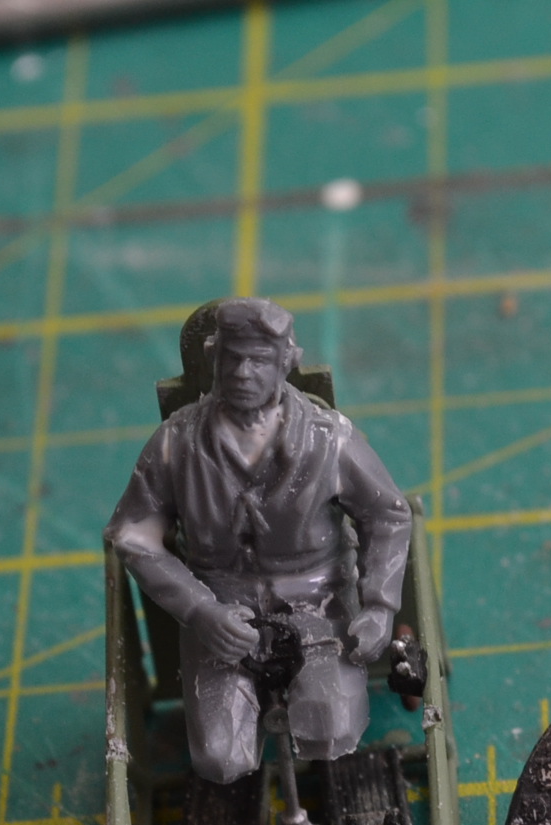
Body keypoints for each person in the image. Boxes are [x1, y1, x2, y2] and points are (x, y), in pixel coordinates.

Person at [105, 298, 413, 784]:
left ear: (287, 362)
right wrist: (200, 611)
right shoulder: (175, 443)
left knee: (331, 729)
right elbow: (131, 535)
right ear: (214, 358)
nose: (242, 373)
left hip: (320, 602)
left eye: (259, 360)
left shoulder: (329, 439)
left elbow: (388, 513)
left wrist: (378, 606)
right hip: (218, 609)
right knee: (220, 759)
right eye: (231, 358)